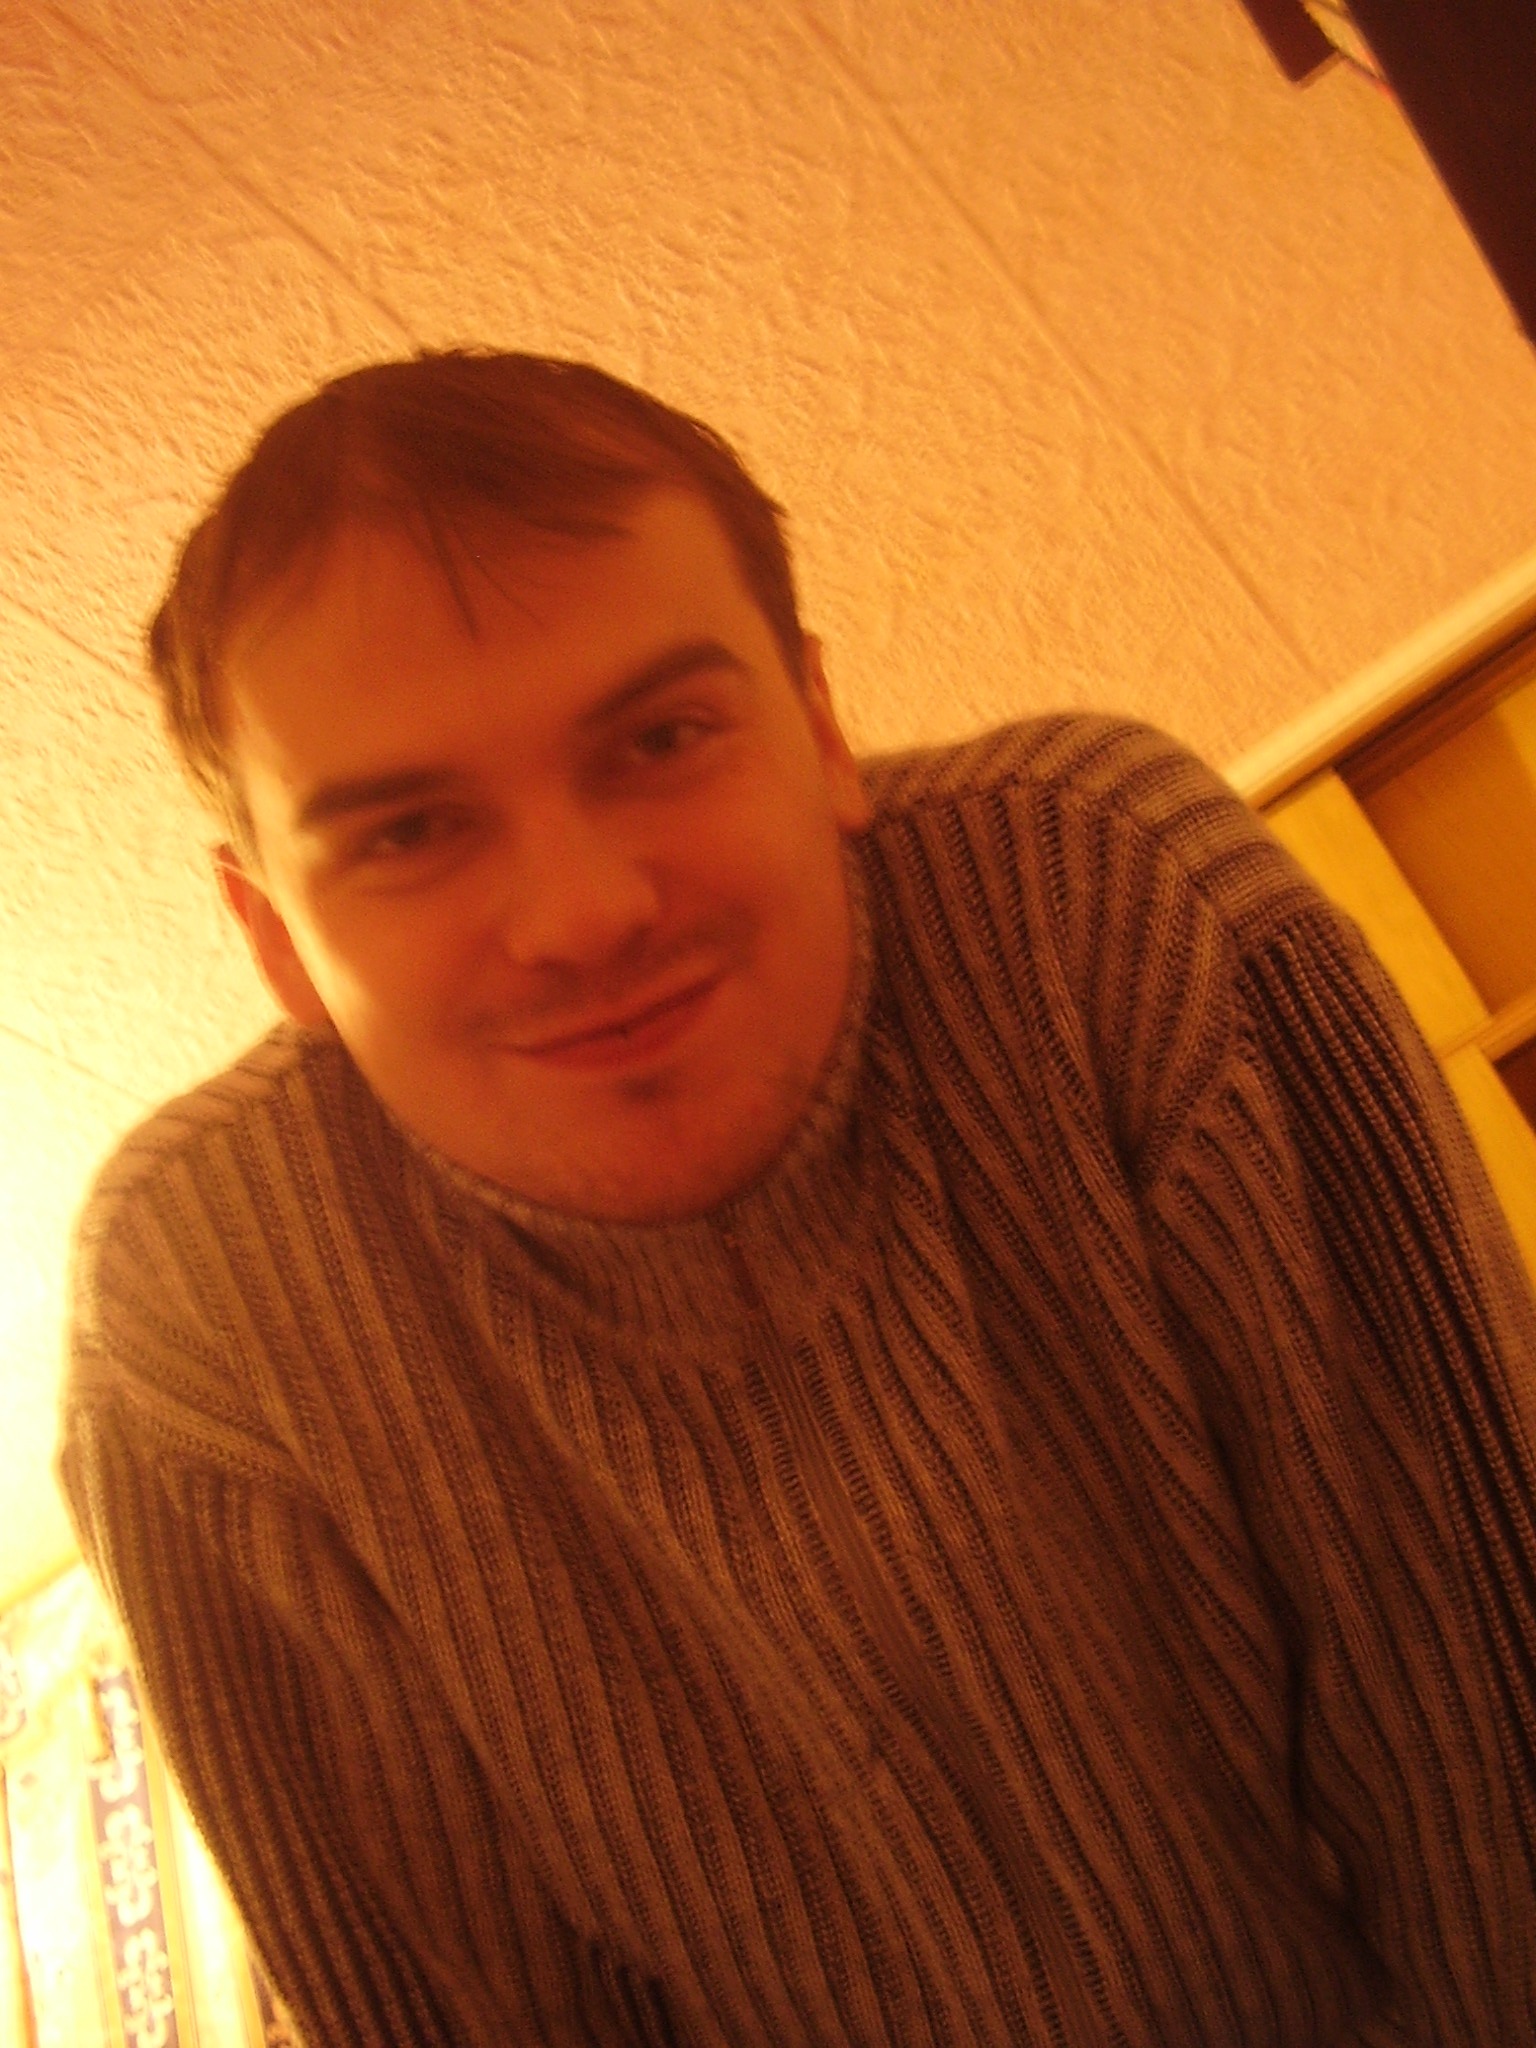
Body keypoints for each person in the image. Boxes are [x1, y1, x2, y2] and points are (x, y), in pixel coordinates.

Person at [61, 350, 1536, 2047]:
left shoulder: (1111, 909)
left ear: (823, 729)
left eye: (661, 738)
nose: (584, 911)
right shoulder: (205, 1329)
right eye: (407, 834)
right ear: (272, 940)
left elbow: (1488, 1755)